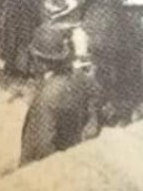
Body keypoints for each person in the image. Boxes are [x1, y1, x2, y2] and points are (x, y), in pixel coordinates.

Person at [20, 24, 100, 165]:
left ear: (41, 62)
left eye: (34, 58)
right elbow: (94, 97)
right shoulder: (80, 78)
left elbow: (41, 149)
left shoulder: (46, 98)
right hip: (74, 154)